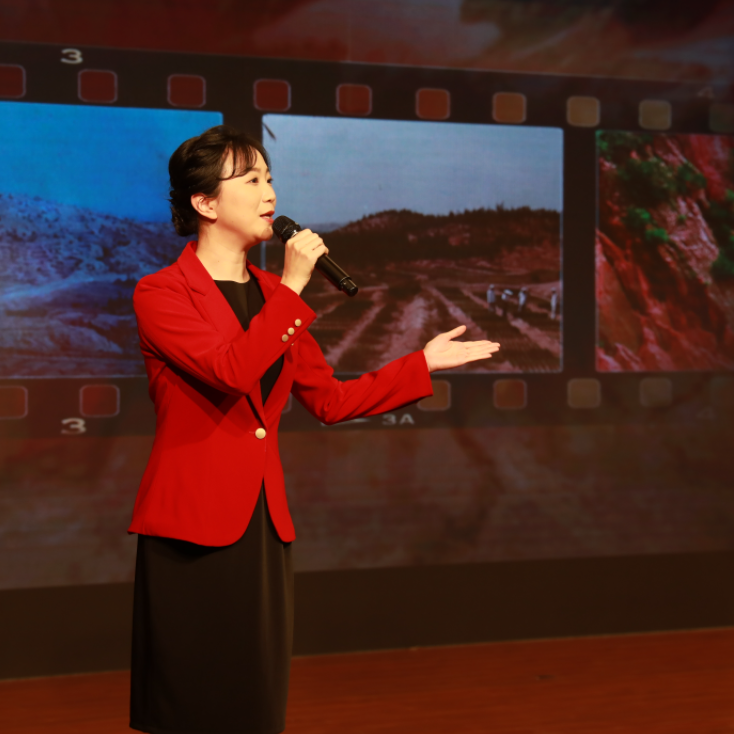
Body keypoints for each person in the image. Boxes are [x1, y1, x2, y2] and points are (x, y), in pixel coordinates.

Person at [128, 125, 500, 734]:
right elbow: (231, 372)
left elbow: (329, 400)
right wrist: (296, 286)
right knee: (191, 699)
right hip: (192, 523)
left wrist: (421, 364)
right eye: (251, 179)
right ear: (205, 203)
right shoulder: (162, 293)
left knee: (253, 697)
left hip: (261, 522)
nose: (269, 192)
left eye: (270, 177)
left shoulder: (274, 296)